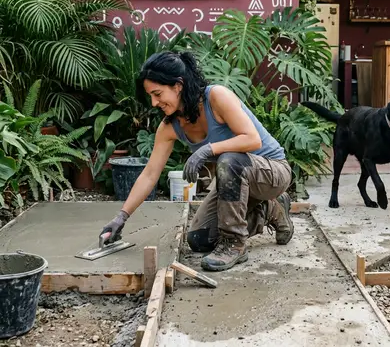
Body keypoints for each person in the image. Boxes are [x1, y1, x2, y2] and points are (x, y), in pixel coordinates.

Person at [100, 51, 294, 272]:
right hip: (237, 184)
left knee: (229, 160)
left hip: (272, 171)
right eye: (150, 96)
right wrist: (121, 217)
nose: (154, 102)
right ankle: (270, 209)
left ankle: (234, 244)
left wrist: (207, 150)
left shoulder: (216, 97)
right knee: (199, 240)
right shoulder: (169, 127)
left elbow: (252, 139)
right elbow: (150, 174)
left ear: (177, 85)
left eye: (157, 93)